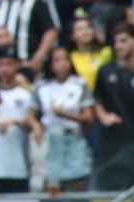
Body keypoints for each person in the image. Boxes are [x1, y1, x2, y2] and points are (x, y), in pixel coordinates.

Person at [95, 23, 134, 190]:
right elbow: (96, 99)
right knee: (109, 191)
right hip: (111, 140)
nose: (118, 46)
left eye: (123, 41)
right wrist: (103, 116)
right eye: (116, 42)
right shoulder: (105, 71)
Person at [0, 45, 43, 194]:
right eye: (0, 65)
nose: (5, 69)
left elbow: (34, 124)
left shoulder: (27, 94)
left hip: (19, 163)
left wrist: (14, 122)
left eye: (9, 64)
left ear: (17, 65)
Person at [36, 46, 95, 192]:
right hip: (51, 141)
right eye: (57, 60)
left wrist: (65, 115)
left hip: (74, 139)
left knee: (78, 187)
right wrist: (36, 126)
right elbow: (32, 114)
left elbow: (88, 117)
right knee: (52, 191)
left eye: (65, 59)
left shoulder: (79, 84)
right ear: (51, 64)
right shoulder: (43, 86)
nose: (62, 63)